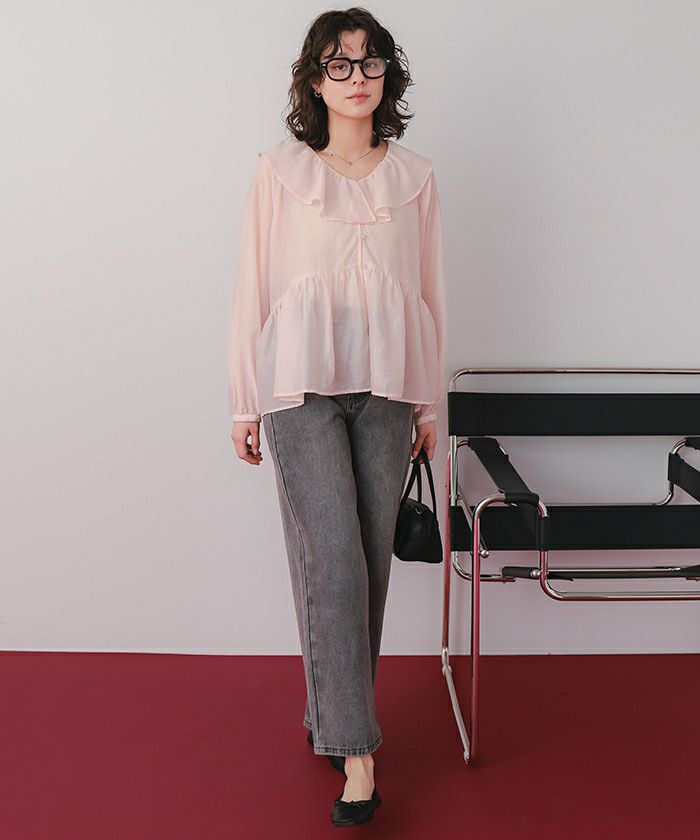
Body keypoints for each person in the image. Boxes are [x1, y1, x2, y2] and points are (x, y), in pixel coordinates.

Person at [227, 7, 447, 827]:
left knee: (370, 571)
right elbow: (251, 287)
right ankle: (358, 756)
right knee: (336, 565)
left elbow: (430, 292)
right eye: (339, 64)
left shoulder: (416, 177)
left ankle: (331, 715)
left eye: (370, 62)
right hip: (299, 388)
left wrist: (429, 401)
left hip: (388, 389)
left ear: (388, 73)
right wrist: (243, 399)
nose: (357, 78)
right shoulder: (281, 172)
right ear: (314, 81)